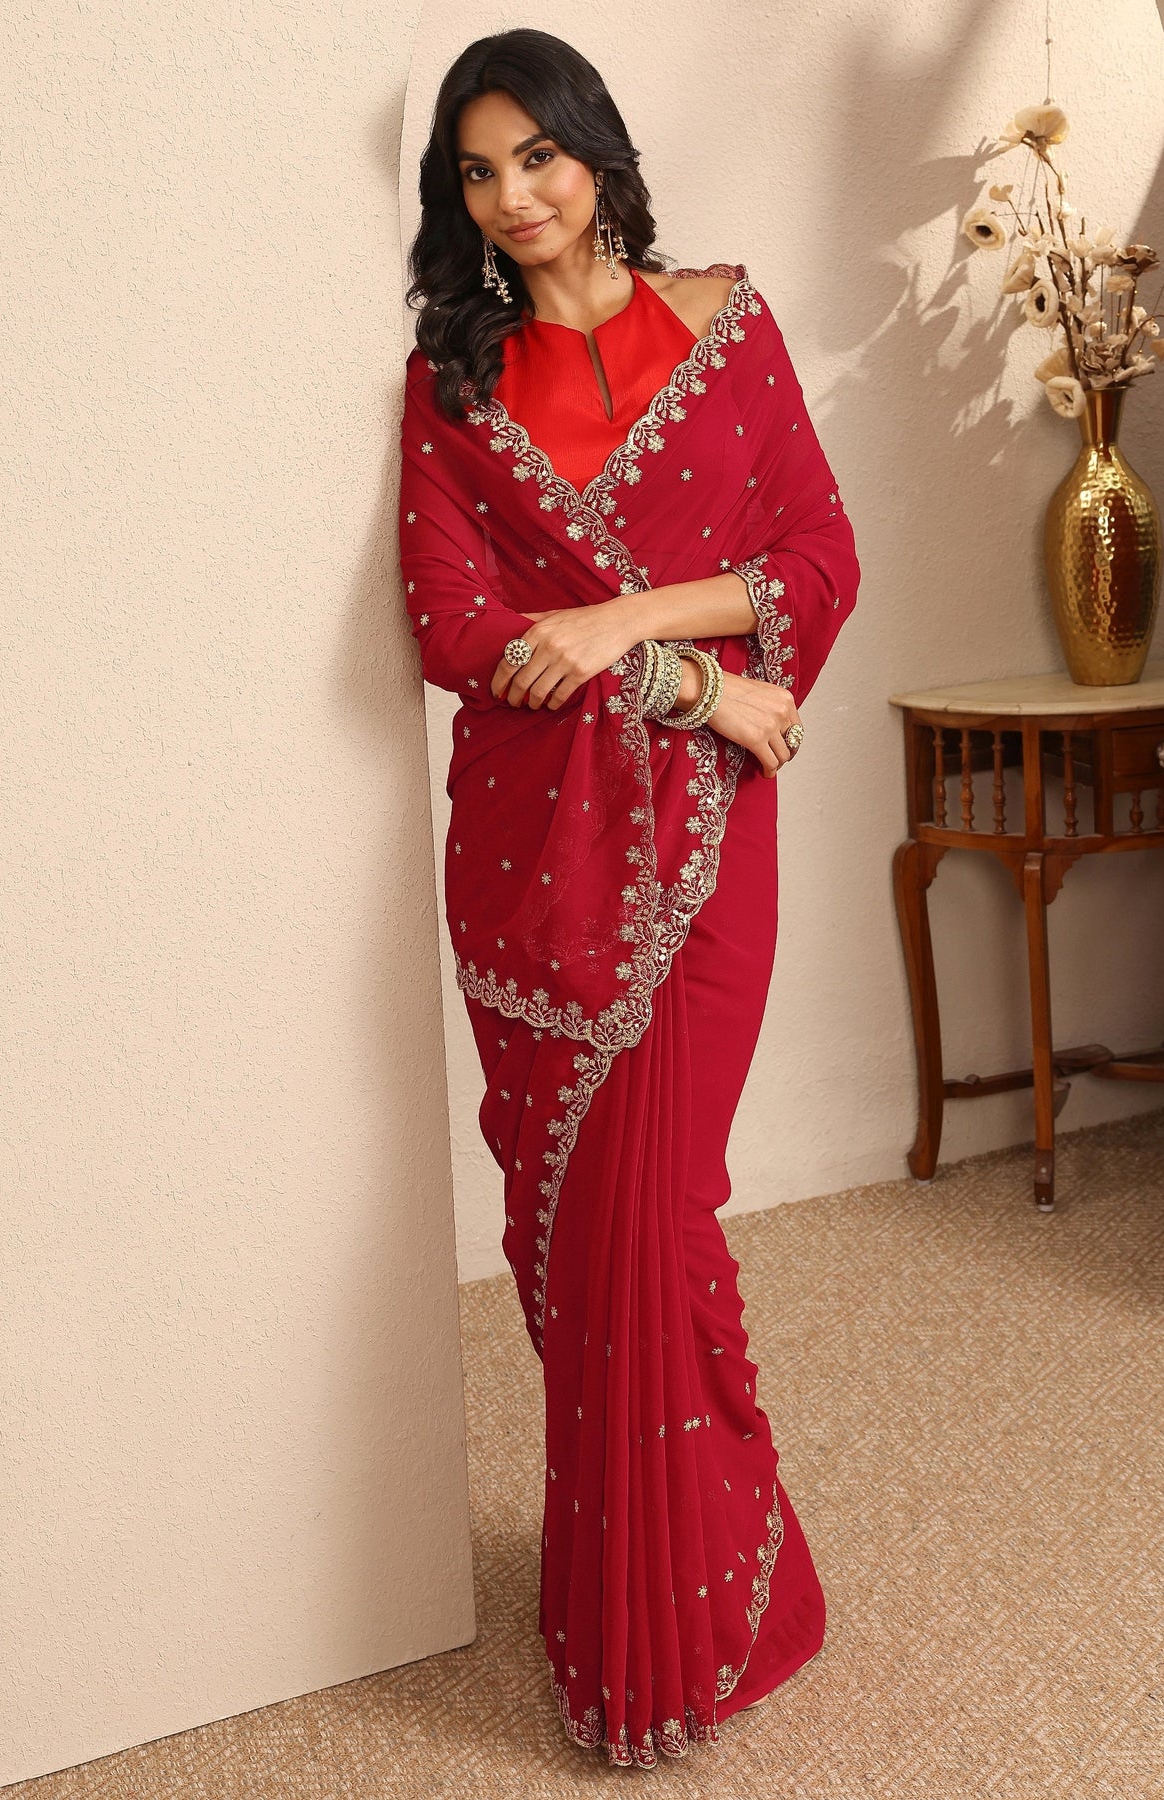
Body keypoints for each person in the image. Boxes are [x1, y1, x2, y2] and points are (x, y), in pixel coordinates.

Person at [399, 27, 860, 1770]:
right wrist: (698, 685)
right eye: (476, 173)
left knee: (656, 1219)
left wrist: (624, 621)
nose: (512, 198)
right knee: (582, 1235)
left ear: (596, 150)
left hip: (703, 854)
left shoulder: (726, 326)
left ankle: (703, 1603)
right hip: (536, 860)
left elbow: (819, 555)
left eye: (535, 156)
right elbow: (457, 629)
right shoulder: (455, 383)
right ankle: (639, 1603)